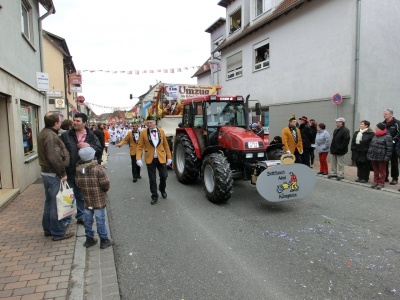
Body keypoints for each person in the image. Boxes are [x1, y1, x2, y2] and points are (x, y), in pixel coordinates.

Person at [37, 112, 74, 241]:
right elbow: (53, 157)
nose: (60, 123)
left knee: (49, 203)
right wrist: (62, 173)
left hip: (47, 173)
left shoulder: (44, 132)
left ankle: (48, 229)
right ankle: (58, 232)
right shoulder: (51, 136)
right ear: (56, 123)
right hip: (53, 173)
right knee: (55, 204)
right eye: (59, 121)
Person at [61, 113, 102, 225]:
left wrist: (88, 146)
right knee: (67, 196)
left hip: (84, 170)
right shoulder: (66, 135)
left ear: (84, 123)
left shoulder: (91, 136)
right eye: (74, 120)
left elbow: (99, 149)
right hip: (69, 170)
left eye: (78, 121)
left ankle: (81, 216)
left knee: (81, 195)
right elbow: (59, 152)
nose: (75, 122)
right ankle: (66, 219)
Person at [75, 147, 113, 249]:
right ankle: (104, 239)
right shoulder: (98, 168)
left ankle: (89, 238)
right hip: (98, 198)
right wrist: (105, 190)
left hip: (87, 198)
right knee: (100, 219)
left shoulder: (80, 169)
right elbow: (105, 183)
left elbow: (78, 183)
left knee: (88, 219)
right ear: (92, 157)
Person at [136, 116, 172, 205]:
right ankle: (154, 196)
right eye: (147, 123)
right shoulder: (143, 132)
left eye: (150, 122)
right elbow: (139, 146)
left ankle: (162, 189)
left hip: (161, 157)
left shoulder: (161, 131)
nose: (149, 124)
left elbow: (166, 145)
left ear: (155, 122)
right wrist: (138, 158)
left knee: (164, 176)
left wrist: (169, 157)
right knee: (152, 179)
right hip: (150, 159)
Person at [367, 123, 393, 190]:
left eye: (377, 128)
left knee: (382, 171)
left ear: (381, 129)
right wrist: (369, 154)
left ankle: (381, 183)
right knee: (375, 170)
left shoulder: (387, 137)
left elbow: (389, 149)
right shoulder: (375, 135)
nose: (375, 129)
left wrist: (387, 157)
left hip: (382, 157)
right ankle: (375, 181)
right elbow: (371, 146)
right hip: (374, 156)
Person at [382, 108, 400, 185]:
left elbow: (399, 134)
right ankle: (385, 177)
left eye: (386, 114)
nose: (384, 115)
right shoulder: (383, 124)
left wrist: (394, 140)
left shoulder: (397, 123)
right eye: (384, 114)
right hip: (384, 146)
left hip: (394, 146)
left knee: (394, 162)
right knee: (384, 162)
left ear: (391, 115)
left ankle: (394, 178)